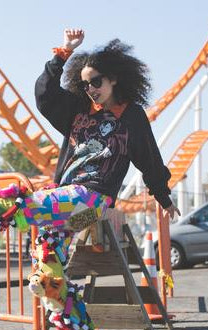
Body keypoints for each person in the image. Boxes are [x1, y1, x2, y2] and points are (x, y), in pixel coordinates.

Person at [35, 29, 181, 220]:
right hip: (64, 197)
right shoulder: (78, 109)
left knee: (25, 207)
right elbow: (45, 95)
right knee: (48, 242)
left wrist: (164, 198)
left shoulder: (131, 116)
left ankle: (4, 209)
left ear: (112, 79)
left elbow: (149, 158)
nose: (90, 89)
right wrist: (64, 52)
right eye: (85, 85)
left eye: (95, 82)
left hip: (94, 205)